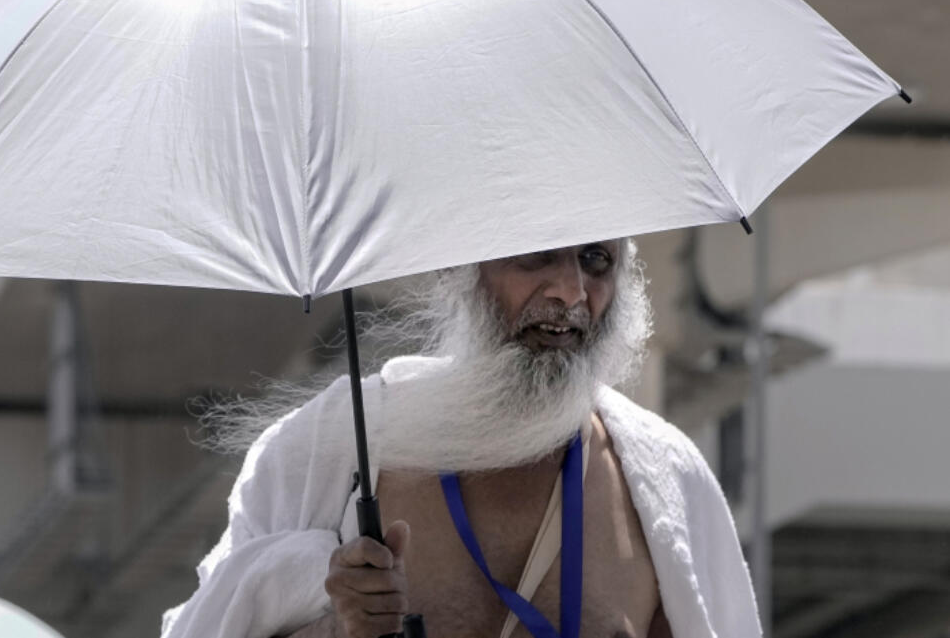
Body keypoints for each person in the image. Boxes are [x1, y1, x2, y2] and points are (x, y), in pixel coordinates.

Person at [162, 239, 761, 638]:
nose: (571, 292)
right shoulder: (329, 449)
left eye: (596, 260)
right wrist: (325, 602)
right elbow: (212, 619)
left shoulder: (665, 482)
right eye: (536, 255)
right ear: (461, 269)